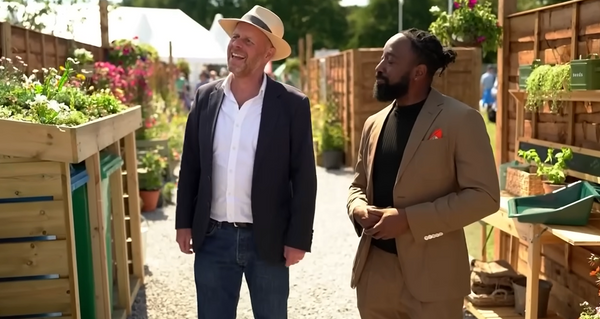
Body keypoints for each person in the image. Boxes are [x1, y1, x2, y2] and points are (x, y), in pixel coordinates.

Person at [175, 5, 317, 319]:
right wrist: (183, 221)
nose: (236, 44)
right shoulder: (204, 98)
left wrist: (298, 239)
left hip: (268, 241)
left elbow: (304, 176)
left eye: (248, 41)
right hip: (213, 240)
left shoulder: (292, 105)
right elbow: (191, 166)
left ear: (268, 53)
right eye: (235, 37)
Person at [347, 28, 500, 319]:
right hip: (374, 276)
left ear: (418, 72)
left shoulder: (461, 120)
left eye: (390, 61)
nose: (379, 67)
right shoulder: (373, 124)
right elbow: (357, 184)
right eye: (381, 58)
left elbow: (485, 197)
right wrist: (357, 208)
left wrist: (409, 220)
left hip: (434, 282)